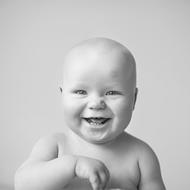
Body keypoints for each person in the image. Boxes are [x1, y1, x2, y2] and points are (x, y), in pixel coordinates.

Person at [15, 37, 166, 190]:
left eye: (112, 92)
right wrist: (72, 166)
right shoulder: (55, 146)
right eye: (80, 91)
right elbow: (22, 184)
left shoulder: (141, 156)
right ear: (62, 96)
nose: (96, 104)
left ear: (133, 99)